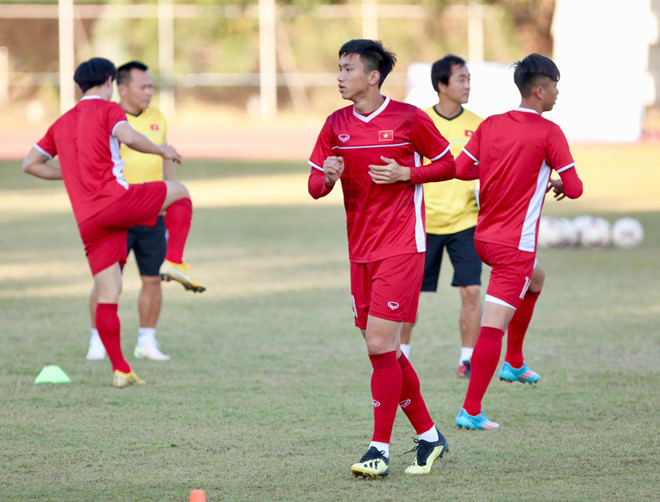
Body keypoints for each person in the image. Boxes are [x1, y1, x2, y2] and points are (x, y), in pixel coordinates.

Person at [308, 39, 455, 478]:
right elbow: (315, 187)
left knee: (378, 345)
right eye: (338, 68)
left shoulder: (410, 118)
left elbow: (450, 165)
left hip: (402, 247)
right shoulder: (335, 124)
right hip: (360, 252)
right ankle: (430, 437)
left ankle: (379, 449)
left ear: (372, 76)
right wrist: (328, 176)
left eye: (347, 69)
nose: (339, 76)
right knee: (383, 352)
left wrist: (407, 173)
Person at [22, 57, 196, 388]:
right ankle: (173, 261)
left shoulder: (60, 123)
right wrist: (161, 151)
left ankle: (121, 370)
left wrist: (72, 176)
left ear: (77, 87)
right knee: (181, 192)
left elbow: (30, 164)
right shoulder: (108, 109)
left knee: (109, 291)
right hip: (115, 203)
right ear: (109, 82)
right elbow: (129, 137)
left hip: (87, 220)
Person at [453, 53, 583, 430]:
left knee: (537, 280)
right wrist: (555, 181)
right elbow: (574, 189)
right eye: (556, 87)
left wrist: (500, 167)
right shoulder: (549, 132)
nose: (558, 94)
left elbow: (462, 170)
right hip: (514, 248)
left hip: (484, 239)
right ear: (540, 91)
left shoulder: (491, 124)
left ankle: (514, 362)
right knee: (492, 326)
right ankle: (471, 410)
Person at [85, 61, 205, 363]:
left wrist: (171, 200)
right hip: (118, 211)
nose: (149, 92)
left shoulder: (157, 118)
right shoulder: (107, 118)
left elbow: (166, 158)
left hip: (153, 212)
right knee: (107, 281)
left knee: (153, 279)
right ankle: (98, 340)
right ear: (121, 88)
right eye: (143, 87)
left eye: (151, 86)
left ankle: (146, 341)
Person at [400, 54, 483, 379]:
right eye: (461, 79)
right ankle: (401, 356)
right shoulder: (418, 121)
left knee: (472, 291)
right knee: (408, 295)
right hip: (423, 222)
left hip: (465, 221)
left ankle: (468, 359)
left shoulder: (478, 124)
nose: (467, 85)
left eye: (468, 79)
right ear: (441, 85)